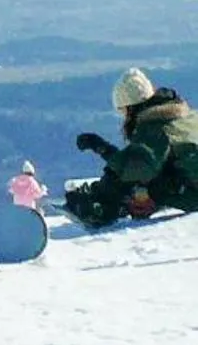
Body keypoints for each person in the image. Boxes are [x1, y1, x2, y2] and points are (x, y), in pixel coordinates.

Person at [66, 69, 198, 228]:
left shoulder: (155, 126)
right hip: (189, 184)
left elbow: (135, 168)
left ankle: (98, 210)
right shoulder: (184, 116)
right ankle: (113, 201)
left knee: (126, 175)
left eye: (123, 111)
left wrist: (101, 147)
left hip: (193, 193)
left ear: (131, 107)